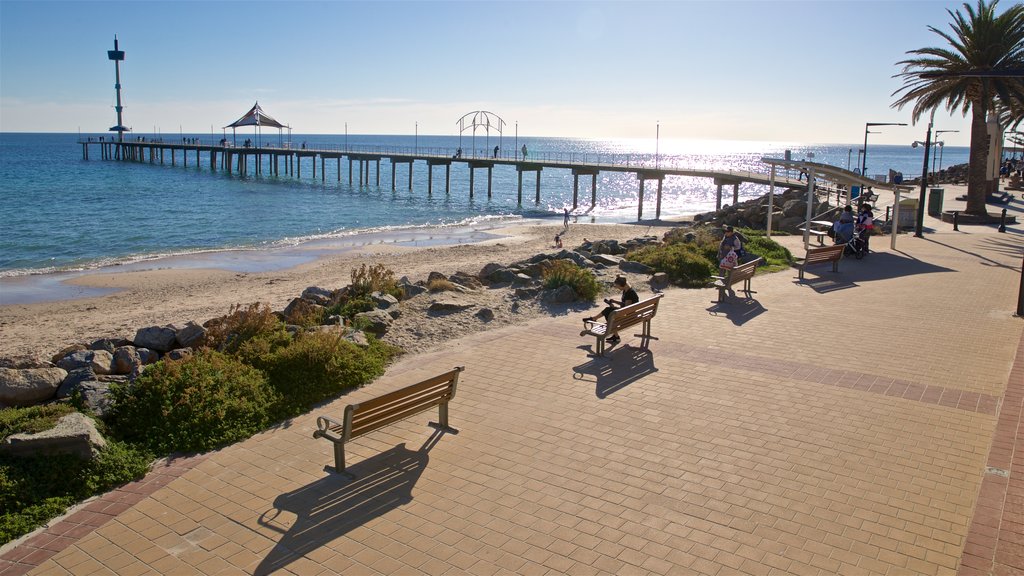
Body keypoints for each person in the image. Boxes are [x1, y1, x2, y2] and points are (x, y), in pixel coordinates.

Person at [582, 276, 639, 345]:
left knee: (609, 312)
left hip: (629, 317)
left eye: (617, 286)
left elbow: (626, 309)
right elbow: (626, 305)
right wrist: (615, 302)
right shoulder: (627, 290)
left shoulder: (629, 293)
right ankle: (615, 336)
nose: (617, 288)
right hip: (631, 314)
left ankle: (594, 319)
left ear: (622, 285)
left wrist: (615, 308)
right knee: (609, 311)